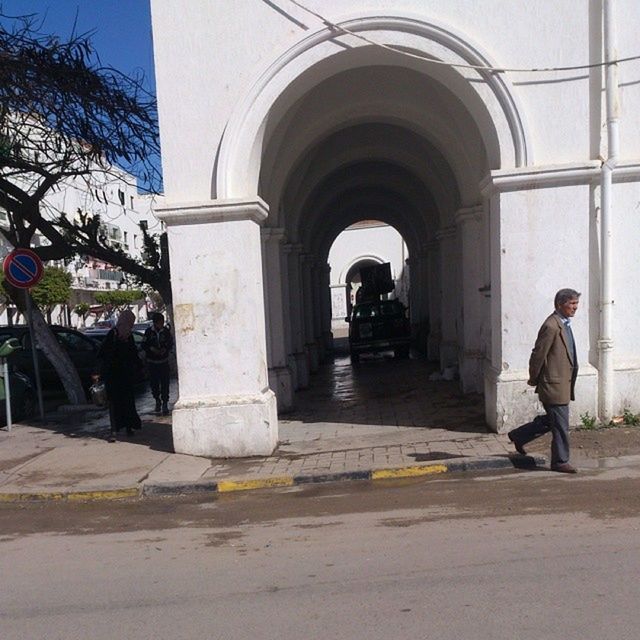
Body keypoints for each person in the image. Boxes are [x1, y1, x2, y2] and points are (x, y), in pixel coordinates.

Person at [508, 288, 581, 473]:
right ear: (559, 305)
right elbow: (538, 354)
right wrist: (534, 378)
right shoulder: (551, 325)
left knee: (553, 420)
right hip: (553, 384)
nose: (575, 308)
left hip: (562, 383)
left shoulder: (564, 324)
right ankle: (560, 461)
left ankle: (519, 436)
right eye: (571, 304)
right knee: (561, 426)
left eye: (576, 304)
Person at [96, 309, 143, 442]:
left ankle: (128, 427)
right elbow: (103, 353)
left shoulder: (129, 337)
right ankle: (114, 430)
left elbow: (134, 354)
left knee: (127, 402)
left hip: (126, 375)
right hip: (113, 375)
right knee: (115, 403)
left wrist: (139, 367)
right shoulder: (113, 334)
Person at [142, 312, 173, 415]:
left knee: (165, 383)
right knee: (154, 384)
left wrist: (165, 349)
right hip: (152, 363)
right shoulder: (148, 332)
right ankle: (157, 400)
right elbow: (144, 345)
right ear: (155, 323)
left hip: (163, 362)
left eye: (162, 322)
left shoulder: (166, 332)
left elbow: (170, 343)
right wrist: (151, 349)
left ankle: (165, 402)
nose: (161, 324)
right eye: (159, 322)